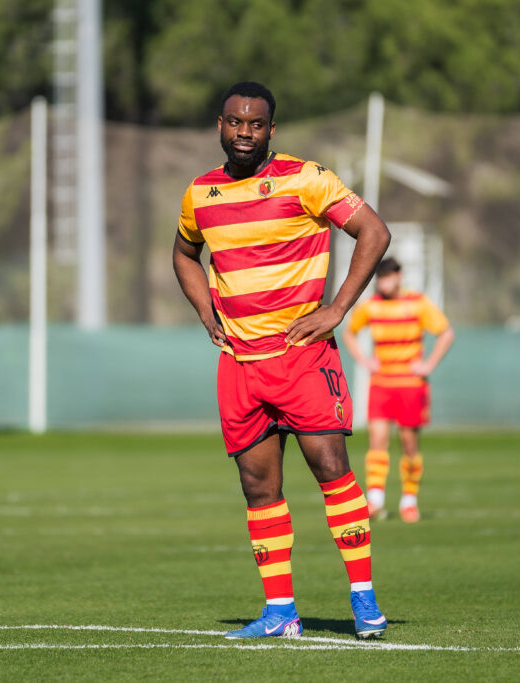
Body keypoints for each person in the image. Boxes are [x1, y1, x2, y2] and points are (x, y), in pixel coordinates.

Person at [172, 81, 392, 639]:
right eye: (234, 122)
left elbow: (374, 231)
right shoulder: (200, 193)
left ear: (272, 130)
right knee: (258, 488)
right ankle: (280, 612)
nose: (244, 132)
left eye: (255, 124)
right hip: (241, 365)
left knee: (332, 471)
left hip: (300, 356)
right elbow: (183, 254)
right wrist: (205, 311)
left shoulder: (306, 178)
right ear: (219, 126)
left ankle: (364, 602)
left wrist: (338, 308)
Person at [341, 257, 454, 523]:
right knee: (377, 440)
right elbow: (349, 332)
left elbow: (446, 332)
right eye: (379, 278)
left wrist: (428, 365)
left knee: (408, 443)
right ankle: (376, 500)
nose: (383, 283)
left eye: (388, 277)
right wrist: (365, 360)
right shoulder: (371, 307)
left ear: (399, 276)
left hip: (410, 384)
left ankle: (409, 501)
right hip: (381, 383)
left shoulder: (418, 303)